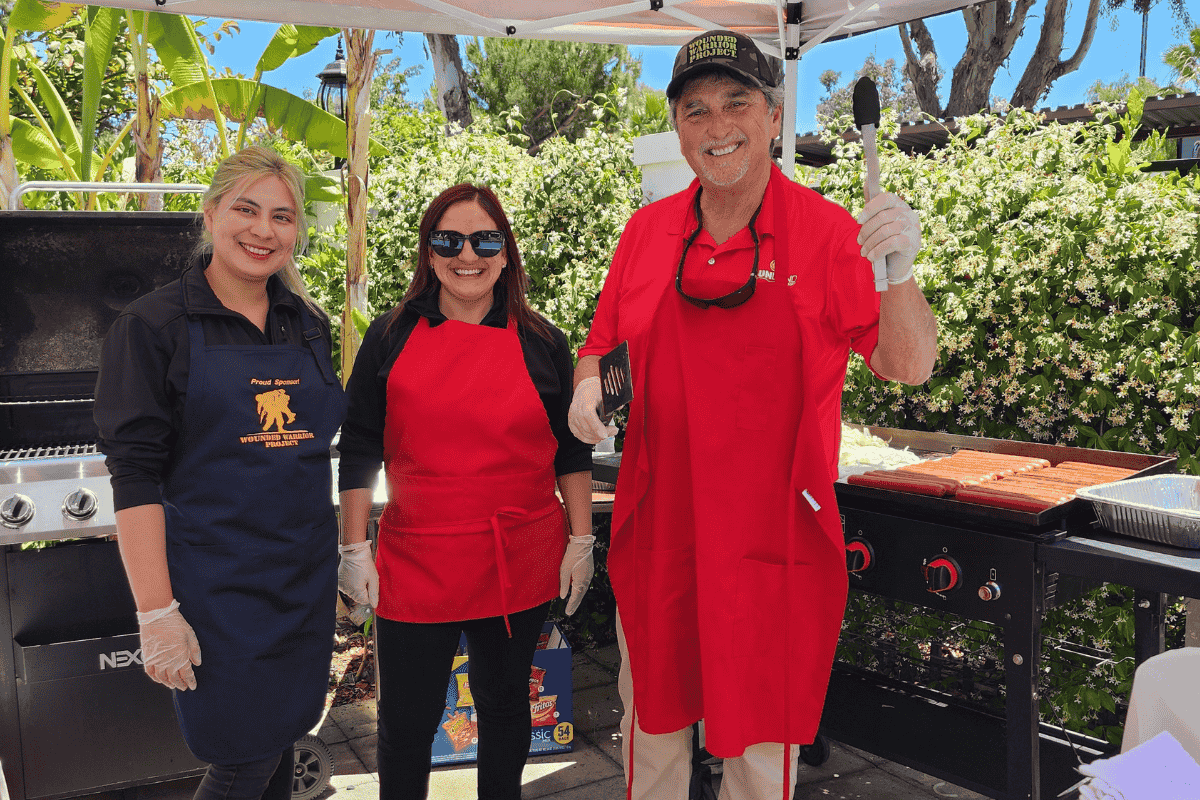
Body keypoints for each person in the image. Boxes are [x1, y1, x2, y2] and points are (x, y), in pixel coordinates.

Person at [568, 30, 939, 800]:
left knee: (760, 757)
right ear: (678, 129)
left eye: (737, 102)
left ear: (774, 117)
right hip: (660, 532)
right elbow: (608, 354)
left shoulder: (832, 234)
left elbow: (909, 365)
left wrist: (899, 274)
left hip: (775, 545)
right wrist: (587, 395)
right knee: (654, 742)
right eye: (696, 109)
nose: (717, 125)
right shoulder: (644, 235)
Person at [94, 145, 347, 800]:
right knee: (241, 758)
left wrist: (351, 550)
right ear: (210, 215)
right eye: (246, 209)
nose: (264, 231)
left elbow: (314, 446)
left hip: (302, 580)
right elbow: (135, 477)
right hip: (218, 593)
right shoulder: (153, 327)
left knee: (283, 740)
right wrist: (157, 612)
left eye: (283, 216)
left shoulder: (307, 323)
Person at [336, 183, 595, 800]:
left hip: (519, 559)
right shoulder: (390, 335)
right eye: (448, 240)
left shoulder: (543, 341)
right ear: (428, 253)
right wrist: (354, 546)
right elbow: (360, 445)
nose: (467, 255)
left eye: (485, 240)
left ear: (506, 253)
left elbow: (571, 450)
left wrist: (581, 539)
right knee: (405, 723)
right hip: (417, 556)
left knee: (507, 714)